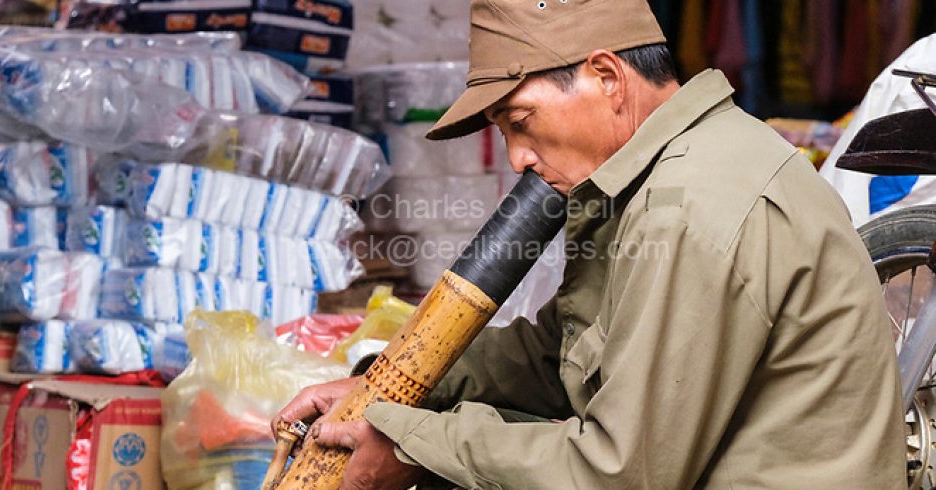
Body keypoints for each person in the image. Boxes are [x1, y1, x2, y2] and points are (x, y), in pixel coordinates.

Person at [275, 0, 906, 488]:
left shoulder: (690, 206)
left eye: (520, 123)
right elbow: (561, 352)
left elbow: (618, 473)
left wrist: (412, 444)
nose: (519, 157)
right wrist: (382, 392)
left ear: (607, 76)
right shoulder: (667, 172)